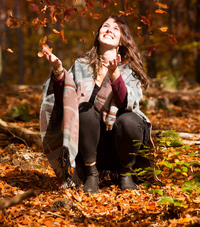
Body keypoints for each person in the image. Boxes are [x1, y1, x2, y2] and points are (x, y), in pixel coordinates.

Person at [40, 15, 152, 194]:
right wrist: (58, 71)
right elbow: (65, 100)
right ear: (98, 33)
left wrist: (114, 74)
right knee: (83, 108)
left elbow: (125, 102)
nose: (109, 30)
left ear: (122, 40)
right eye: (105, 26)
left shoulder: (130, 70)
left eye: (116, 29)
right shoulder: (81, 65)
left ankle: (126, 174)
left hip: (121, 145)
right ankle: (92, 174)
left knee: (130, 120)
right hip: (89, 147)